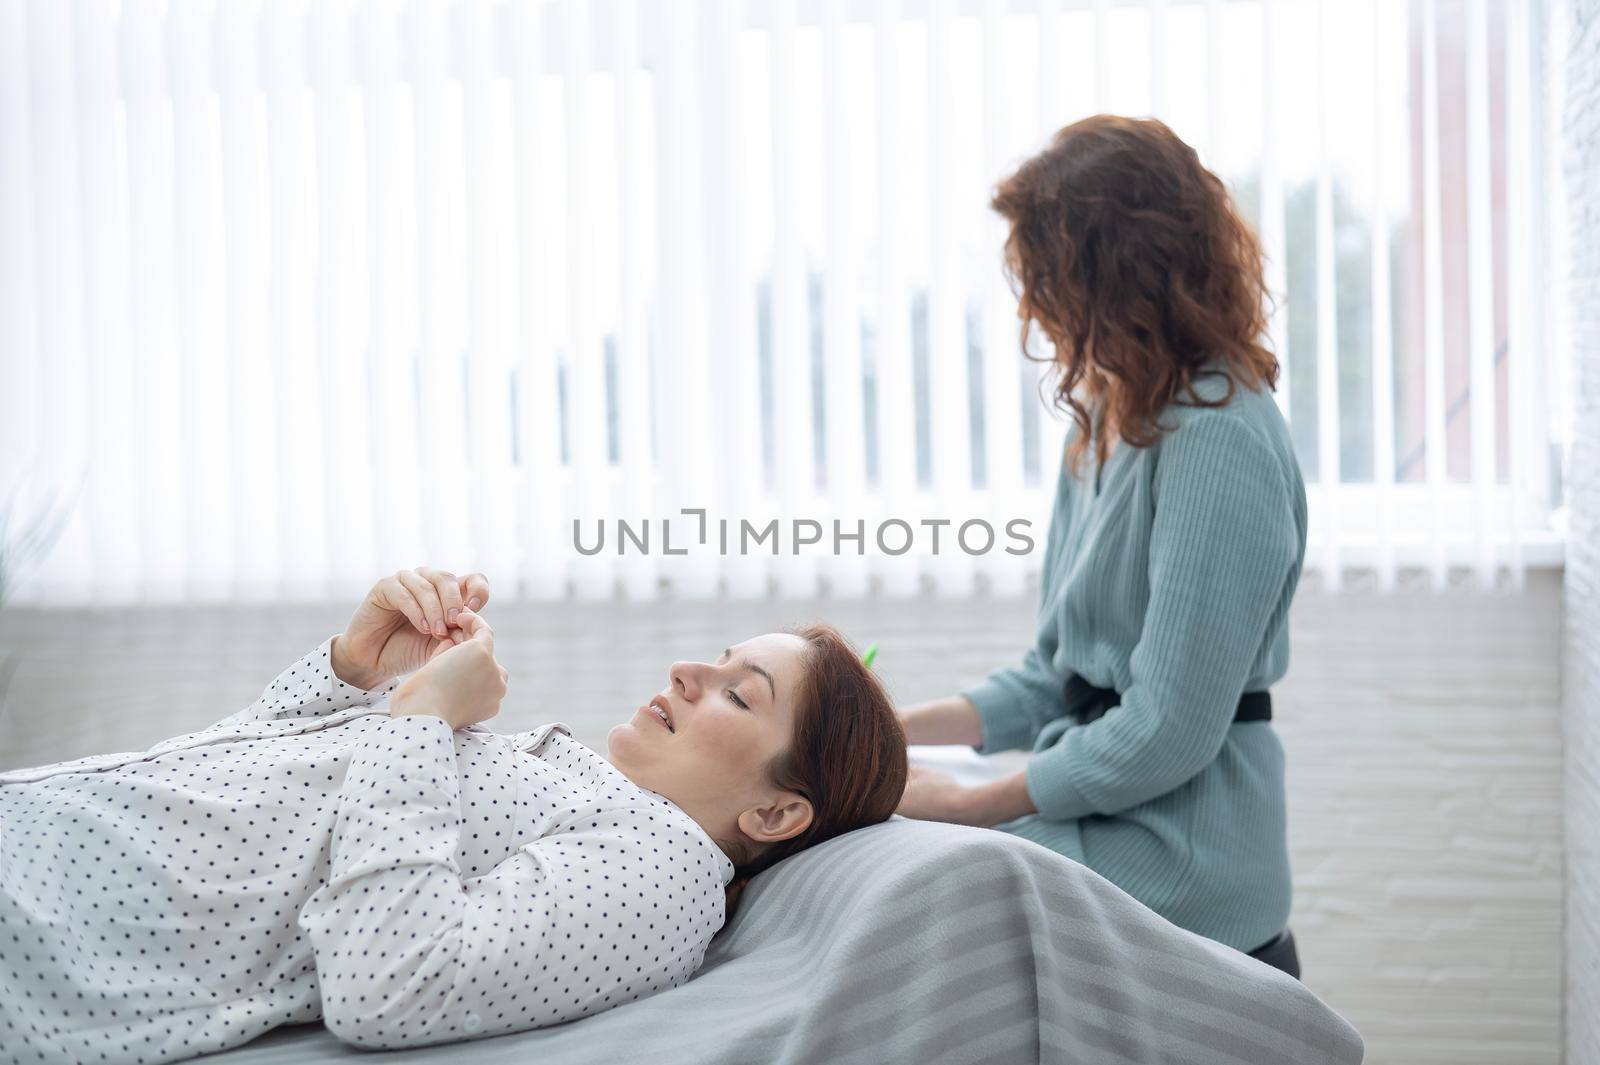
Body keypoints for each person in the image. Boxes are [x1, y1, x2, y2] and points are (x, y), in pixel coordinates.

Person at [0, 567, 906, 1062]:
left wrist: (422, 717)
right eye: (715, 657)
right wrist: (354, 669)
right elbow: (235, 777)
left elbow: (387, 985)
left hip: (46, 938)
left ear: (780, 812)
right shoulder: (577, 785)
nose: (685, 671)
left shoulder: (663, 874)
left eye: (738, 695)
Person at [895, 115, 1308, 973]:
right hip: (1113, 818)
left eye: (1046, 276)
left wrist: (970, 803)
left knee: (909, 893)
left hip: (1182, 854)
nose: (1032, 305)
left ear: (1115, 274)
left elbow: (1165, 729)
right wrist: (887, 733)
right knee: (885, 855)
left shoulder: (1217, 434)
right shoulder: (1108, 425)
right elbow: (1056, 675)